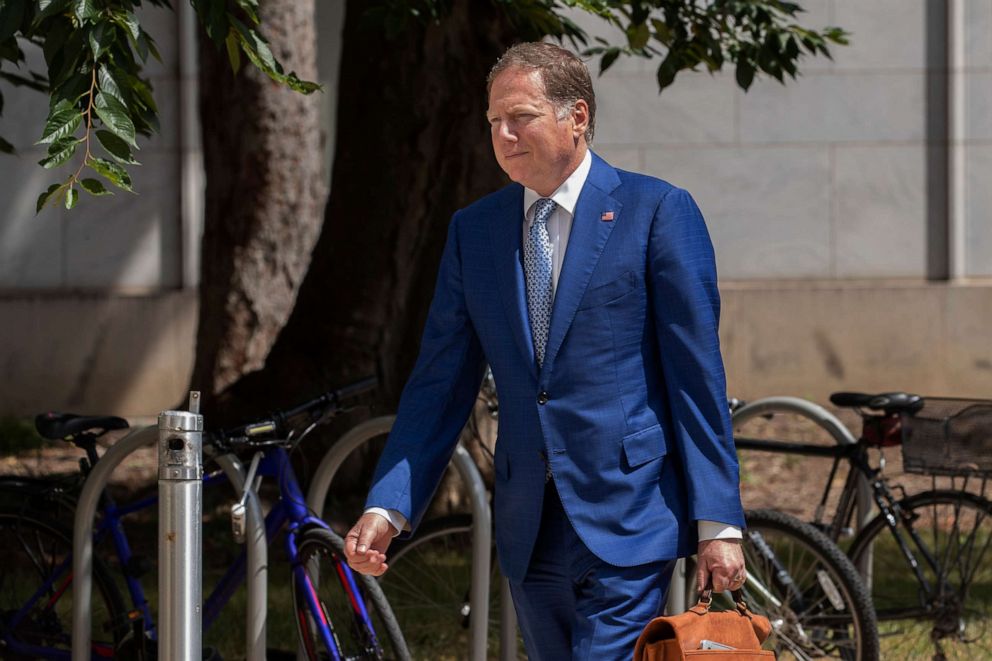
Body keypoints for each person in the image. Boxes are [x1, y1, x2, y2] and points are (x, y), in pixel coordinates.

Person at [344, 41, 746, 660]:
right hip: (528, 519)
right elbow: (439, 383)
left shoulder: (657, 211)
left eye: (521, 117)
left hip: (629, 514)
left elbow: (697, 378)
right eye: (493, 122)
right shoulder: (474, 231)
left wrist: (717, 524)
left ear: (576, 117)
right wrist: (388, 505)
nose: (502, 135)